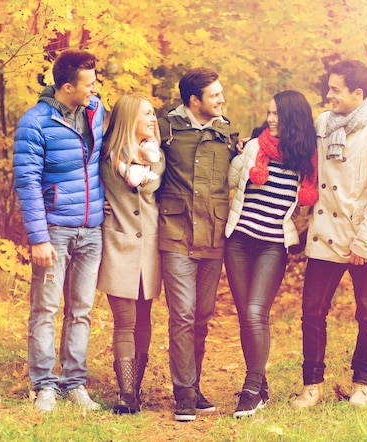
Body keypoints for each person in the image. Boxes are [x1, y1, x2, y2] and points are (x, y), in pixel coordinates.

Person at [291, 60, 367, 408]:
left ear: (358, 93)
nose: (329, 95)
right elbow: (295, 149)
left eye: (335, 89)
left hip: (362, 237)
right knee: (312, 311)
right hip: (325, 232)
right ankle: (312, 386)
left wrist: (364, 242)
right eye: (329, 88)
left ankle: (362, 385)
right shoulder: (323, 123)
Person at [13, 49, 105, 413]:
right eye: (89, 83)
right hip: (55, 230)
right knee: (46, 309)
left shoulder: (96, 112)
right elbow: (27, 181)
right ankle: (44, 386)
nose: (95, 88)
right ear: (67, 87)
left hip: (92, 229)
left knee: (81, 310)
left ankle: (75, 383)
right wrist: (39, 238)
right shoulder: (35, 123)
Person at [224, 90, 318, 418]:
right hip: (238, 241)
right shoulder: (254, 146)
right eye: (268, 113)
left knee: (254, 312)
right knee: (246, 316)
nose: (270, 119)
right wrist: (237, 154)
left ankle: (251, 388)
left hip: (273, 245)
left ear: (293, 117)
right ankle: (258, 384)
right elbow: (230, 180)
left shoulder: (306, 159)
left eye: (277, 113)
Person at [157, 67, 239, 422]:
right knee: (184, 315)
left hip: (214, 234)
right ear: (195, 101)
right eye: (215, 95)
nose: (221, 99)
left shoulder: (226, 131)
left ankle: (195, 383)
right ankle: (183, 392)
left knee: (203, 315)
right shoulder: (166, 128)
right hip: (175, 231)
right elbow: (127, 153)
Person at [97, 94, 165, 414]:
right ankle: (126, 393)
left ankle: (136, 387)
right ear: (129, 119)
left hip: (149, 248)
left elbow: (151, 190)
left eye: (154, 114)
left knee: (144, 318)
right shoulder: (107, 157)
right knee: (125, 320)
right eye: (147, 114)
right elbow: (87, 186)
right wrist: (97, 207)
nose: (153, 119)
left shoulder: (157, 156)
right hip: (118, 244)